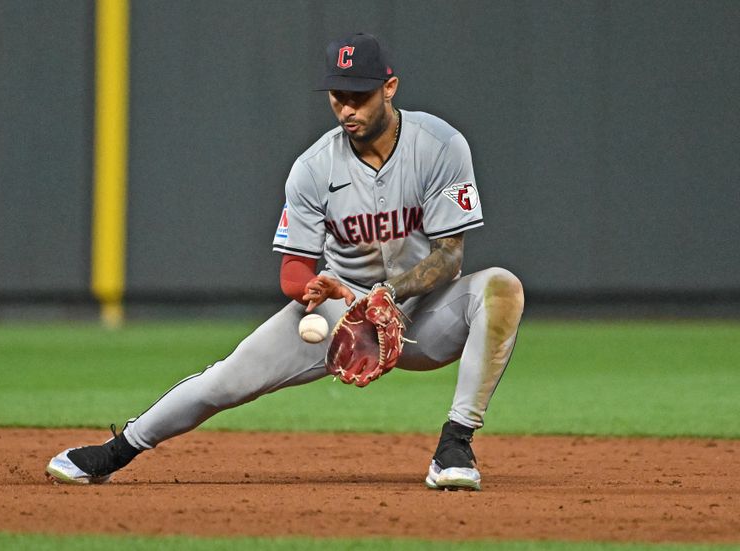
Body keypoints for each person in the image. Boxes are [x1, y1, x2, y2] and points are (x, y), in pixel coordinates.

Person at [46, 32, 524, 491]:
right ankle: (117, 450)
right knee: (226, 380)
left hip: (426, 313)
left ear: (389, 87)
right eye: (337, 95)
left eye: (359, 94)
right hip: (344, 313)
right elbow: (294, 268)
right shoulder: (313, 168)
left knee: (501, 287)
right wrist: (312, 289)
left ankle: (455, 445)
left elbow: (448, 256)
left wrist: (390, 295)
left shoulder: (440, 145)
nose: (347, 108)